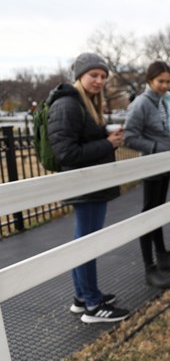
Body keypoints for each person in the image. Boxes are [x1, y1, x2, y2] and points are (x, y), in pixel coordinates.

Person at [47, 52, 130, 323]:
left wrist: (107, 140)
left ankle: (83, 297)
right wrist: (108, 144)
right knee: (86, 245)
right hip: (85, 186)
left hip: (92, 185)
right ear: (80, 75)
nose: (99, 81)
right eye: (94, 75)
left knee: (83, 242)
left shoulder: (84, 103)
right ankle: (93, 307)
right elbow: (66, 153)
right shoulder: (68, 105)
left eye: (103, 76)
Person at [124, 61, 170, 289]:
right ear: (149, 80)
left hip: (164, 165)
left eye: (168, 81)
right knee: (149, 213)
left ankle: (162, 256)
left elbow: (168, 131)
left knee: (159, 210)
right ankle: (149, 267)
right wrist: (157, 148)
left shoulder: (163, 102)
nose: (164, 85)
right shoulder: (141, 104)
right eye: (160, 81)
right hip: (151, 166)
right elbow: (129, 137)